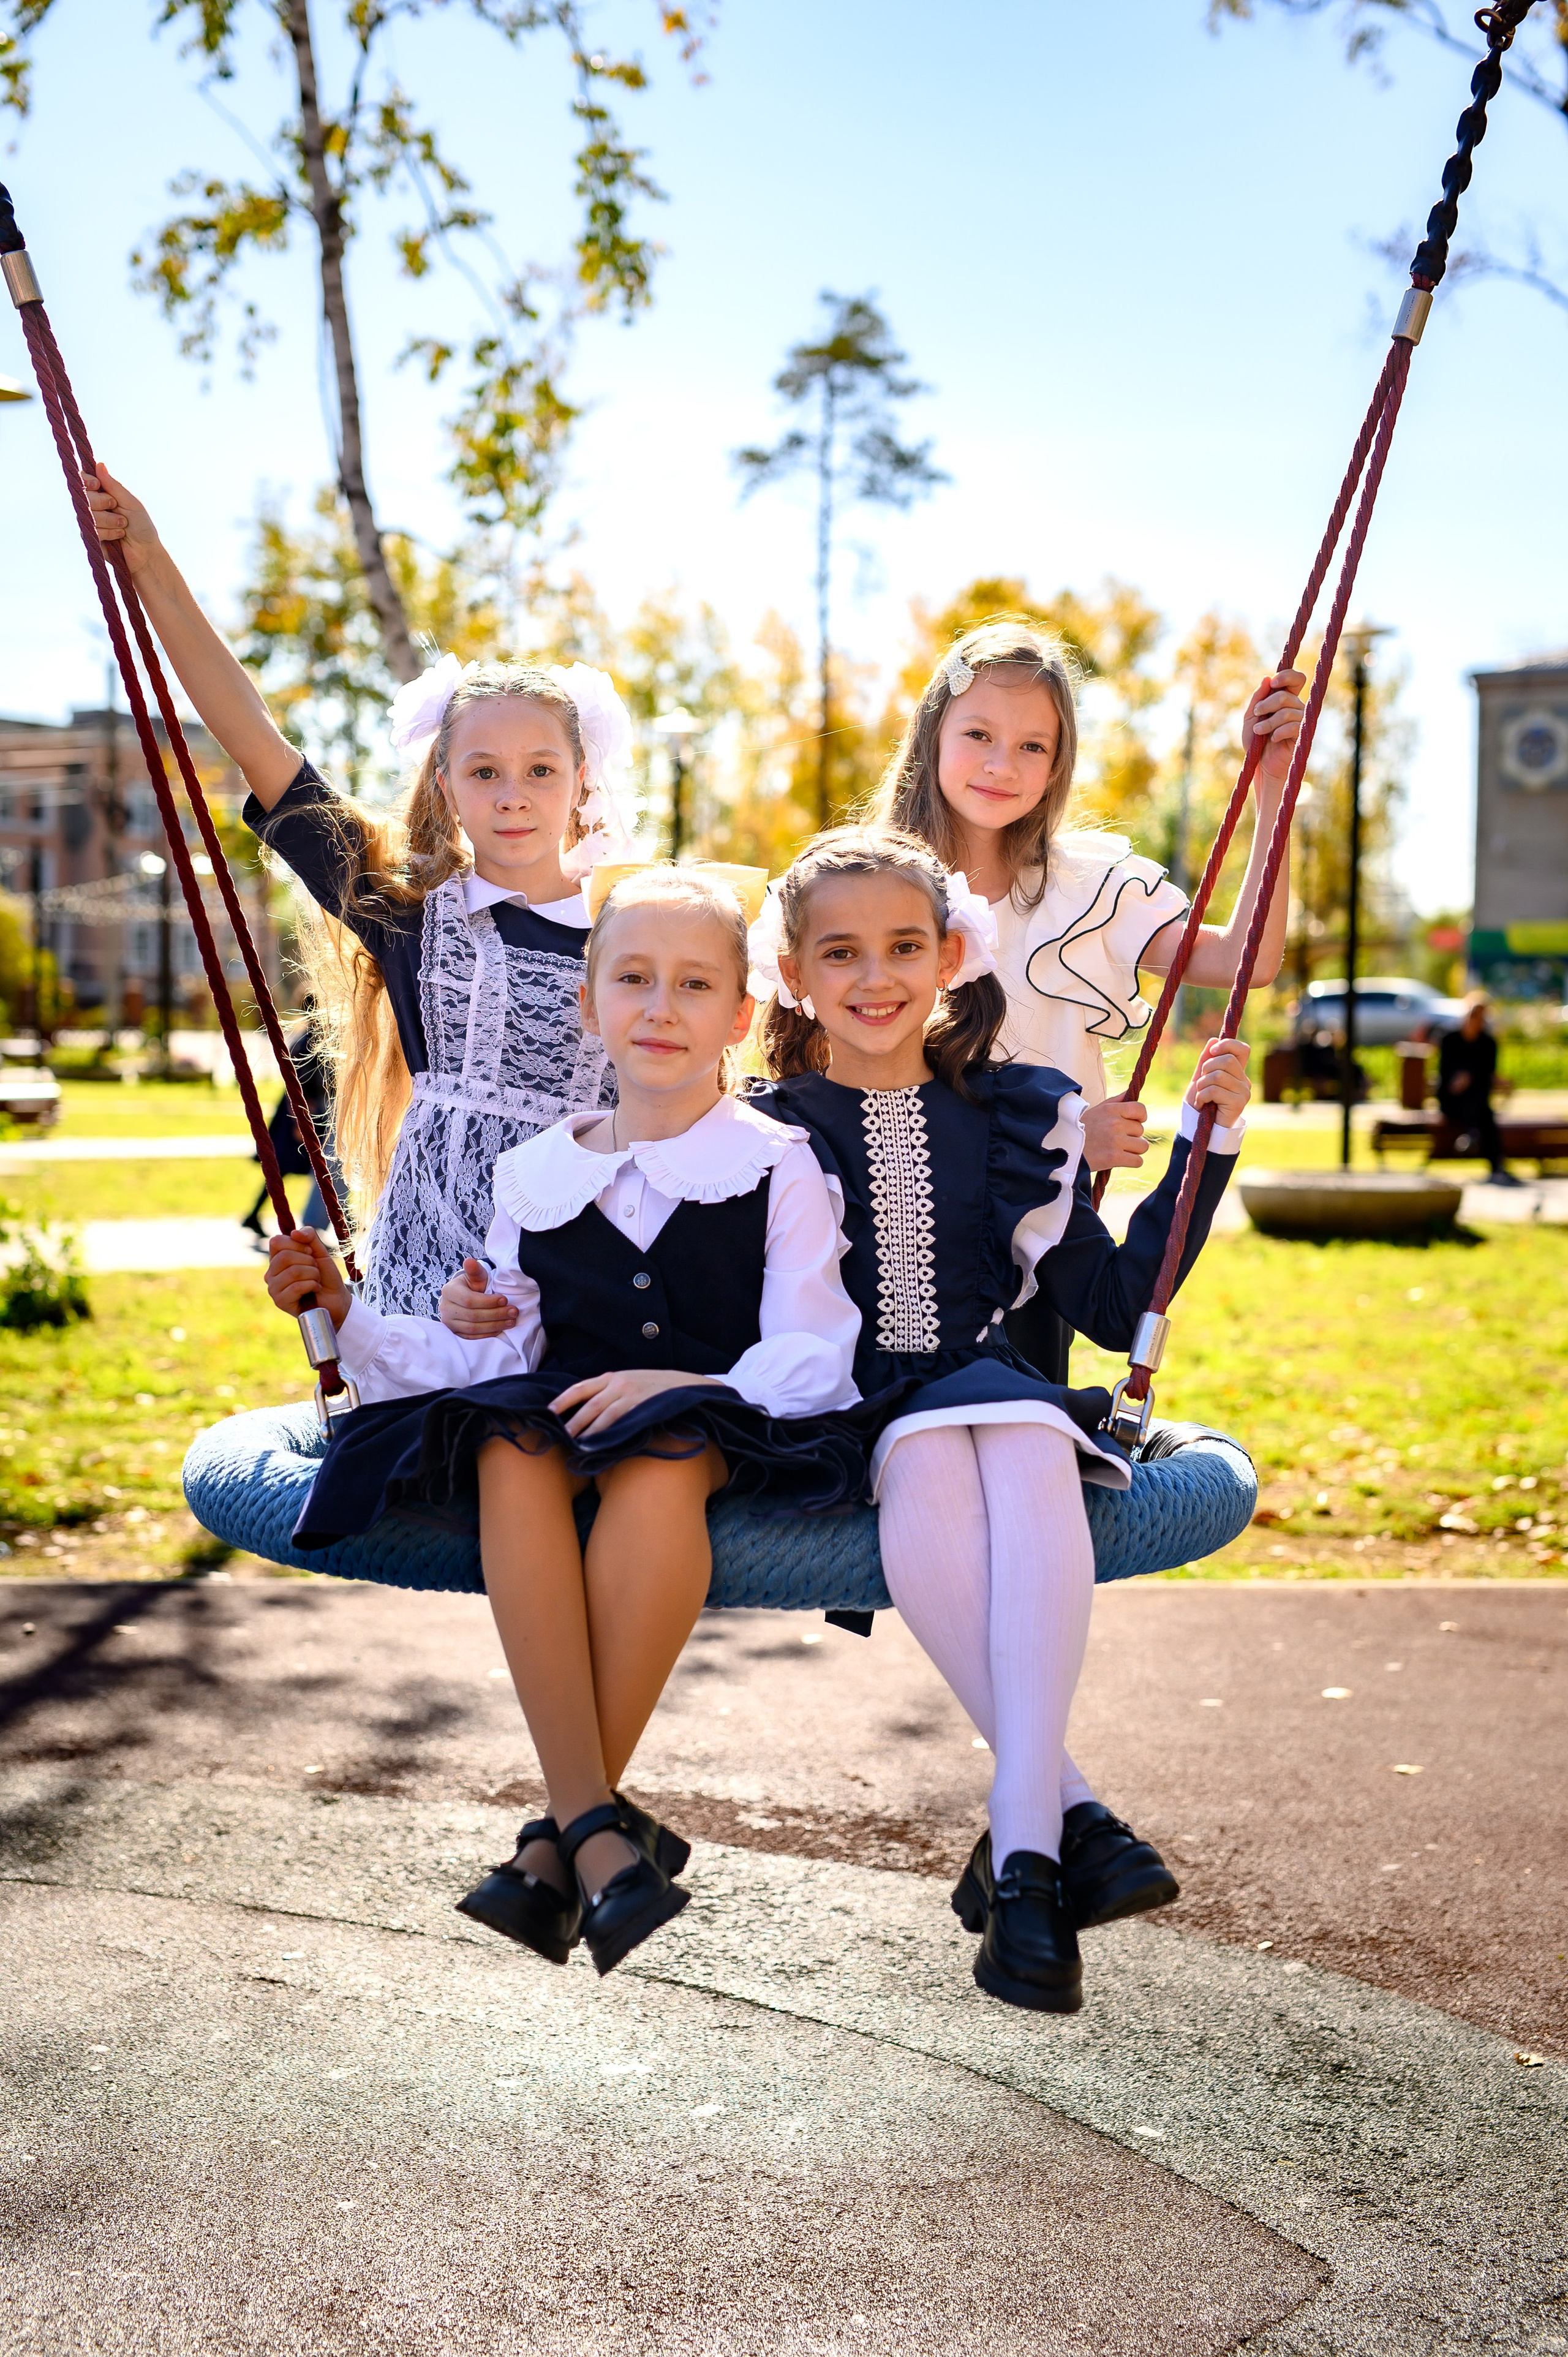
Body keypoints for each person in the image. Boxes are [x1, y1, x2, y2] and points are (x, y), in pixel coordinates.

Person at [266, 869, 865, 1977]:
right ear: (588, 1006)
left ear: (740, 1016)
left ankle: (560, 1838)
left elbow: (813, 1349)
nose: (660, 1007)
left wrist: (681, 1383)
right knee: (509, 1439)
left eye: (695, 984)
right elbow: (496, 1359)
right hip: (562, 1415)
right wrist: (348, 1316)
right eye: (632, 978)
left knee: (662, 1461)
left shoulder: (778, 1162)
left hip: (723, 1421)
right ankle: (594, 1834)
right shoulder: (534, 1174)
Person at [744, 828, 1250, 2015]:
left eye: (903, 945)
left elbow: (1113, 1302)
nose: (876, 976)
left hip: (995, 1399)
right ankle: (1060, 1820)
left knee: (1021, 1430)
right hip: (852, 1410)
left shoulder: (1020, 1112)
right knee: (941, 1443)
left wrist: (1204, 1146)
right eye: (841, 952)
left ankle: (1027, 1863)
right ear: (794, 973)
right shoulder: (767, 1130)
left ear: (952, 956)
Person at [84, 466, 631, 1315]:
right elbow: (258, 744)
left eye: (540, 769)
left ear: (580, 776)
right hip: (435, 1281)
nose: (513, 796)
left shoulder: (635, 926)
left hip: (596, 1283)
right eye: (484, 771)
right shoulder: (410, 914)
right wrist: (149, 561)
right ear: (445, 784)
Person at [871, 619, 1300, 1380]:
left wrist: (1271, 789)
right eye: (978, 734)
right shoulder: (870, 886)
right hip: (893, 1225)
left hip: (1040, 1239)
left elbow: (1246, 960)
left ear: (1058, 764)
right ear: (932, 733)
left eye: (1033, 746)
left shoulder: (1086, 889)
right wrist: (1063, 1135)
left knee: (1026, 1406)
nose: (1002, 764)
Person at [239, 1007, 345, 1243]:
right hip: (300, 1113)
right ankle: (255, 1215)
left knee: (309, 1168)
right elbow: (298, 1082)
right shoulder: (309, 1042)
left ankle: (343, 1219)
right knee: (289, 1166)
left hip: (306, 1113)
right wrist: (299, 1120)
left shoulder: (313, 1039)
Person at [1438, 991, 1518, 1185]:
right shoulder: (1450, 1039)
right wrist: (1458, 1081)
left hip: (1478, 1100)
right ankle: (1496, 1165)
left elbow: (1487, 1073)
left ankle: (1475, 1137)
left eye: (1481, 1016)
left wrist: (1473, 1077)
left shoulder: (1488, 1043)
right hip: (1452, 1100)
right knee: (1485, 1115)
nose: (1476, 1021)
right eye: (1473, 1015)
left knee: (1483, 1111)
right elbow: (1444, 1073)